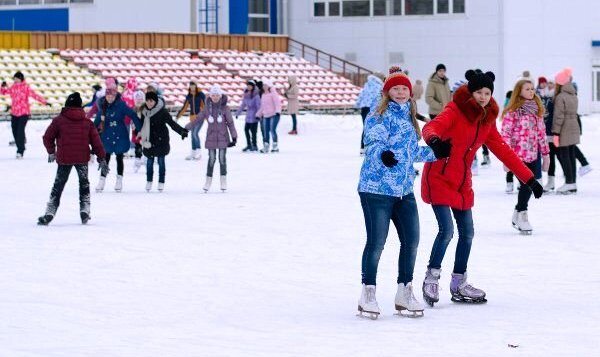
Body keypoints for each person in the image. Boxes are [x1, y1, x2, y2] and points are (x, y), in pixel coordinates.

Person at [420, 70, 543, 306]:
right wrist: (435, 141)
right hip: (439, 177)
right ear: (470, 92)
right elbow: (431, 127)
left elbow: (503, 150)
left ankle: (459, 283)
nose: (483, 96)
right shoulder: (454, 111)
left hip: (462, 183)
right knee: (446, 231)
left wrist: (529, 178)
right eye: (479, 92)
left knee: (467, 233)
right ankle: (431, 277)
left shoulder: (486, 120)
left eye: (487, 93)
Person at [357, 66, 436, 319]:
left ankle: (404, 291)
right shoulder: (378, 114)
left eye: (404, 89)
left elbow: (411, 153)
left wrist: (438, 152)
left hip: (403, 190)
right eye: (396, 88)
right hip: (376, 188)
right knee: (377, 242)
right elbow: (374, 142)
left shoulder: (410, 117)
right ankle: (368, 291)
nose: (401, 92)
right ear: (387, 91)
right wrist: (382, 153)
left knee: (411, 241)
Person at [38, 92, 108, 225]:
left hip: (64, 158)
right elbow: (96, 142)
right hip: (82, 158)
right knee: (84, 184)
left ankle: (50, 212)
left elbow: (47, 137)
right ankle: (85, 210)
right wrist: (102, 158)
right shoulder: (87, 122)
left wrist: (51, 151)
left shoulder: (58, 120)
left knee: (58, 185)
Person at [501, 79, 550, 234]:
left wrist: (546, 155)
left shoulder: (537, 110)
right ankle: (522, 215)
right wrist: (505, 159)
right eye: (527, 89)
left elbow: (541, 134)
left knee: (530, 184)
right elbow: (505, 135)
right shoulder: (513, 111)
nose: (531, 91)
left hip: (533, 155)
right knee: (526, 185)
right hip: (516, 156)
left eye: (532, 89)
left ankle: (518, 212)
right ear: (519, 91)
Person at [186, 85, 237, 193]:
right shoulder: (206, 109)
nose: (215, 97)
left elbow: (230, 123)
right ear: (210, 96)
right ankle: (208, 181)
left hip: (223, 137)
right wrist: (187, 128)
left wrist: (234, 136)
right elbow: (197, 119)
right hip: (211, 137)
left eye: (217, 95)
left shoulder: (225, 108)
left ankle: (223, 180)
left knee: (222, 159)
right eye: (213, 95)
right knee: (211, 159)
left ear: (220, 95)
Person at [93, 86, 142, 193]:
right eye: (108, 96)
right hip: (107, 136)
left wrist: (139, 129)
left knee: (119, 158)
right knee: (106, 158)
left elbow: (133, 114)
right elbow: (95, 123)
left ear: (115, 96)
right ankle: (102, 180)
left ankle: (119, 179)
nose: (110, 98)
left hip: (120, 135)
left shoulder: (121, 106)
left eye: (112, 96)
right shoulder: (103, 107)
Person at [138, 91, 188, 192]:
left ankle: (161, 181)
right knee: (149, 162)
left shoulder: (163, 111)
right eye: (147, 101)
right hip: (149, 140)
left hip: (161, 140)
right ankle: (149, 181)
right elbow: (141, 126)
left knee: (161, 162)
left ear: (155, 101)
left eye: (151, 101)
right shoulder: (144, 112)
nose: (149, 103)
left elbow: (172, 123)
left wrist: (181, 131)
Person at [1, 71, 49, 159]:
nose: (15, 80)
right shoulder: (13, 87)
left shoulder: (26, 87)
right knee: (14, 130)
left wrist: (45, 102)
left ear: (21, 79)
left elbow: (35, 95)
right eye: (14, 78)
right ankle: (21, 142)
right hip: (14, 113)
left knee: (20, 131)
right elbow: (4, 92)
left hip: (24, 113)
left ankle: (20, 150)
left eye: (17, 78)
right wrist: (2, 86)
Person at [552, 67, 580, 194]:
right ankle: (572, 182)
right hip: (573, 125)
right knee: (571, 155)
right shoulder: (573, 94)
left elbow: (559, 116)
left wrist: (556, 132)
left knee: (564, 155)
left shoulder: (560, 97)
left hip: (564, 128)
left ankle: (569, 182)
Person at [355, 73, 384, 155]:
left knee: (365, 127)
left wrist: (357, 105)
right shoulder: (379, 87)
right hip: (373, 110)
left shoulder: (366, 86)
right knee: (373, 127)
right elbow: (379, 99)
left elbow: (360, 97)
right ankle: (371, 147)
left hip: (364, 109)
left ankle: (362, 147)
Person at [176, 82, 206, 160]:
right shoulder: (189, 96)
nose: (192, 88)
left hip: (200, 117)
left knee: (195, 133)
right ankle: (193, 153)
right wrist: (178, 116)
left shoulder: (201, 94)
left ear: (196, 86)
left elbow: (205, 106)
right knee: (192, 135)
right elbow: (184, 107)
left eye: (193, 86)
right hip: (192, 118)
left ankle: (199, 153)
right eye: (191, 86)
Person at [256, 79, 282, 153]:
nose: (264, 86)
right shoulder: (263, 95)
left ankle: (275, 146)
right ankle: (266, 146)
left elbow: (277, 103)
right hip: (266, 115)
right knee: (265, 131)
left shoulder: (273, 94)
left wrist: (278, 111)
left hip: (274, 114)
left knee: (272, 129)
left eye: (265, 85)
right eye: (263, 85)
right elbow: (263, 106)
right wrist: (258, 114)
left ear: (269, 86)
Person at [236, 80, 261, 152]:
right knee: (246, 130)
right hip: (248, 116)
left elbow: (259, 106)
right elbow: (243, 105)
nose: (249, 87)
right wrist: (238, 113)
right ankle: (249, 144)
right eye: (248, 86)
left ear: (253, 87)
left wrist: (258, 115)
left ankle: (254, 145)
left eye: (250, 86)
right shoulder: (246, 94)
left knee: (253, 131)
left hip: (254, 115)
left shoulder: (256, 96)